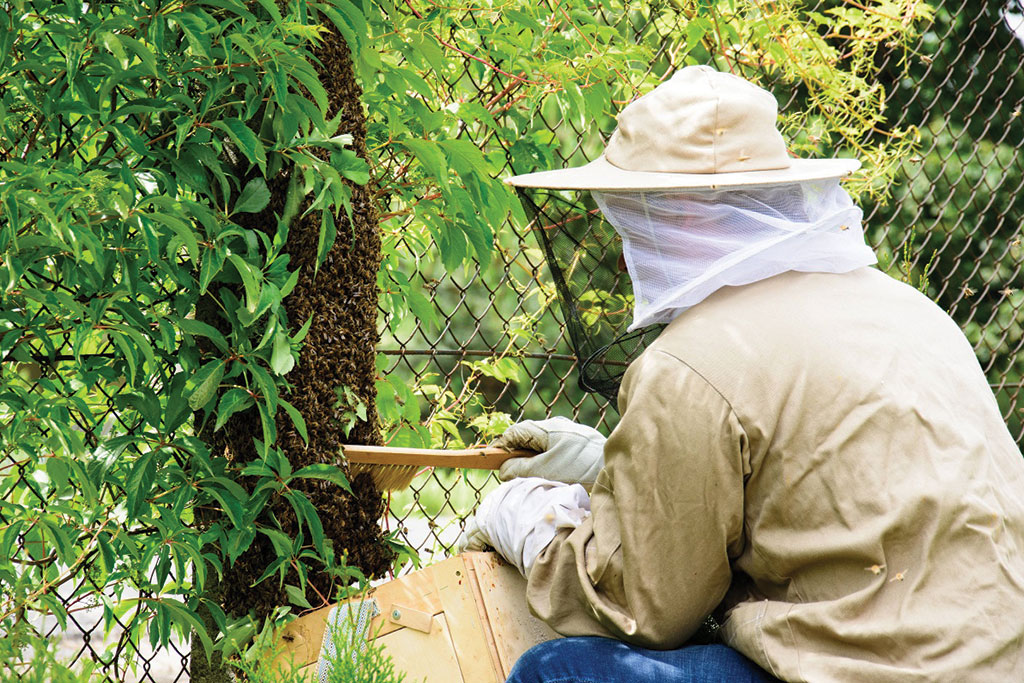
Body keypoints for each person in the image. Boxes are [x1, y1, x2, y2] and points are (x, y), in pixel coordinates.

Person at [457, 66, 1024, 682]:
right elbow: (818, 493)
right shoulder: (907, 308)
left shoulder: (690, 363)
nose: (622, 249)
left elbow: (642, 606)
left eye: (628, 217)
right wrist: (612, 472)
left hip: (879, 671)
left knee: (559, 671)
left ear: (677, 214)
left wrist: (531, 524)